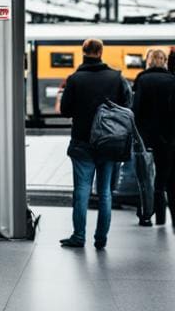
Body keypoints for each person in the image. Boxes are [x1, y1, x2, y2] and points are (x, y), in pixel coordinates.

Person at [59, 38, 132, 249]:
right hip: (109, 143)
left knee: (81, 190)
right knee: (105, 193)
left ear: (83, 52)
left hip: (82, 142)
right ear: (101, 52)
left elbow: (65, 110)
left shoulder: (74, 79)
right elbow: (127, 107)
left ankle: (79, 236)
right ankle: (101, 239)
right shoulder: (116, 77)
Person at [132, 46, 175, 227]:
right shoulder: (173, 80)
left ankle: (146, 214)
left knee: (146, 176)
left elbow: (136, 109)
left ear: (148, 61)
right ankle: (165, 218)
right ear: (164, 61)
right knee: (168, 176)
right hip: (169, 136)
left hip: (146, 138)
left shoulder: (142, 79)